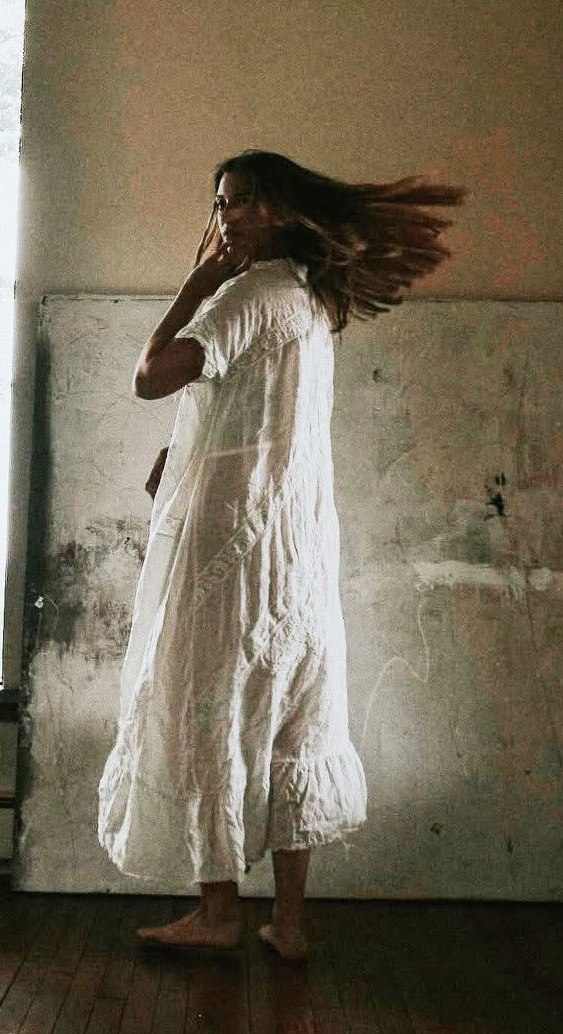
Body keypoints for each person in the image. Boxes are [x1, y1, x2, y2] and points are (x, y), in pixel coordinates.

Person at [96, 150, 465, 960]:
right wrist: (183, 449)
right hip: (294, 545)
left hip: (231, 544)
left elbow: (151, 377)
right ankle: (289, 925)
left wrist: (192, 286)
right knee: (295, 715)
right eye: (222, 203)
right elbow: (250, 411)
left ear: (282, 210)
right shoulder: (307, 301)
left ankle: (219, 913)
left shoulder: (244, 296)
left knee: (208, 708)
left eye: (243, 203)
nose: (227, 216)